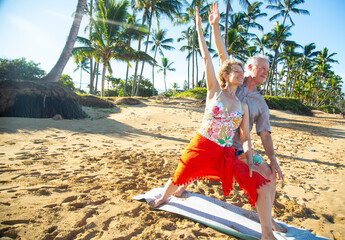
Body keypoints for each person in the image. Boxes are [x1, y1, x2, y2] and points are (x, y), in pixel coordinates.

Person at [150, 6, 277, 240]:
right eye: (238, 71)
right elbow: (210, 55)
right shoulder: (215, 91)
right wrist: (203, 27)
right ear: (230, 73)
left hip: (227, 151)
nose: (242, 74)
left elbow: (248, 137)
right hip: (202, 143)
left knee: (262, 178)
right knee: (180, 174)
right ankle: (167, 196)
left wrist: (251, 155)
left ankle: (267, 230)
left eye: (242, 71)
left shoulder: (248, 105)